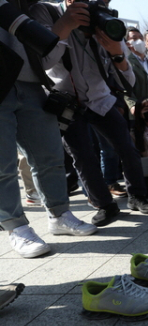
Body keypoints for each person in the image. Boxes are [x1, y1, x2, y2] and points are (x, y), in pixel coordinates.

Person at [31, 0, 148, 227]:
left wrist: (117, 53)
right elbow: (43, 61)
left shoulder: (102, 17)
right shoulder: (46, 11)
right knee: (83, 156)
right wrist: (65, 25)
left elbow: (127, 81)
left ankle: (137, 196)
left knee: (127, 148)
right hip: (66, 100)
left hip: (101, 98)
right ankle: (104, 205)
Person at [1, 0, 98, 259]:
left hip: (32, 83)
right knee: (3, 164)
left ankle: (59, 214)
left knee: (51, 156)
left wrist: (63, 26)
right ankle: (16, 227)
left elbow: (45, 58)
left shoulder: (34, 7)